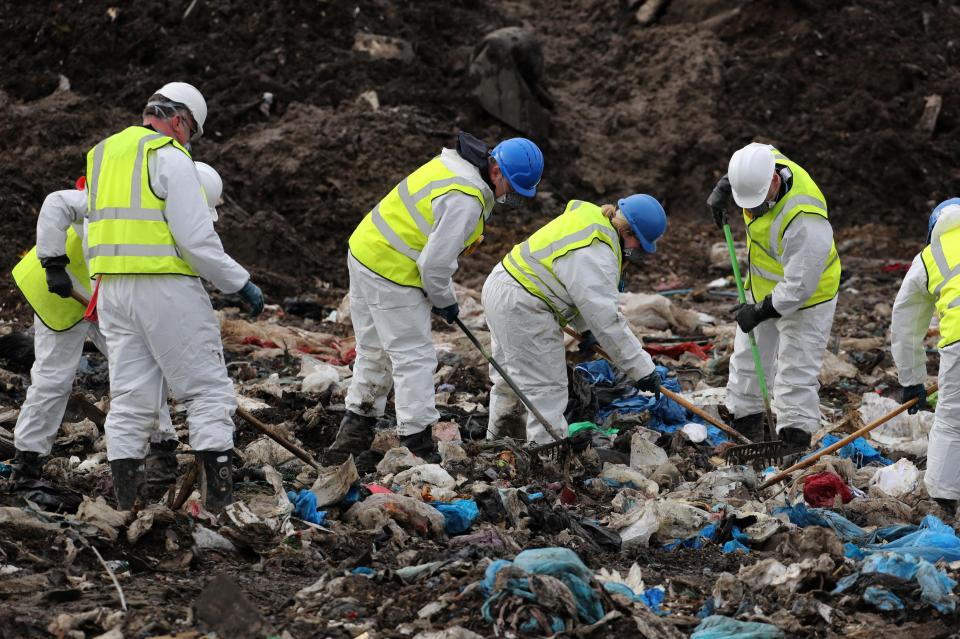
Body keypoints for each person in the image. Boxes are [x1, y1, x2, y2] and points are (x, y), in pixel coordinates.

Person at [42, 82, 263, 511]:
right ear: (179, 121)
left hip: (113, 291)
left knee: (130, 399)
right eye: (191, 132)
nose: (188, 142)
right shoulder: (168, 157)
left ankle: (128, 508)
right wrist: (239, 282)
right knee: (207, 393)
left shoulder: (103, 154)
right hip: (164, 287)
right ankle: (220, 508)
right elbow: (196, 241)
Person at [11, 163, 226, 498]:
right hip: (59, 288)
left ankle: (161, 450)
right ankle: (26, 467)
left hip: (106, 299)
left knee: (143, 367)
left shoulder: (164, 220)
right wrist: (53, 265)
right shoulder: (118, 198)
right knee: (54, 378)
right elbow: (57, 203)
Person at [329, 132, 544, 461]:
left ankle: (351, 435)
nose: (510, 197)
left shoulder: (451, 164)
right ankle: (416, 443)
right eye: (512, 188)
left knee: (373, 350)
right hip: (392, 269)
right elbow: (434, 265)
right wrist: (445, 301)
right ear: (497, 171)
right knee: (413, 357)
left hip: (365, 252)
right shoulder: (467, 198)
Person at [481, 195, 666, 443]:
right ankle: (546, 461)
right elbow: (607, 319)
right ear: (629, 233)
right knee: (546, 389)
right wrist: (643, 369)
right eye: (640, 245)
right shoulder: (597, 250)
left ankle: (499, 445)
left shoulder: (590, 221)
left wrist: (586, 329)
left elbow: (575, 289)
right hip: (526, 304)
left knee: (508, 382)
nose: (637, 253)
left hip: (504, 286)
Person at [706, 142, 841, 448]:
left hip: (808, 299)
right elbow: (756, 153)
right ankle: (746, 425)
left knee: (794, 372)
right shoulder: (763, 163)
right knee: (747, 359)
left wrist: (758, 312)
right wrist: (724, 188)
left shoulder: (805, 219)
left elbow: (799, 287)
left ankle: (794, 442)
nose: (750, 210)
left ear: (775, 181)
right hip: (763, 286)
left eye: (755, 200)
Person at [890, 198, 960, 519]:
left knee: (951, 423)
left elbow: (905, 324)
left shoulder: (931, 256)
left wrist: (912, 381)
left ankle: (944, 506)